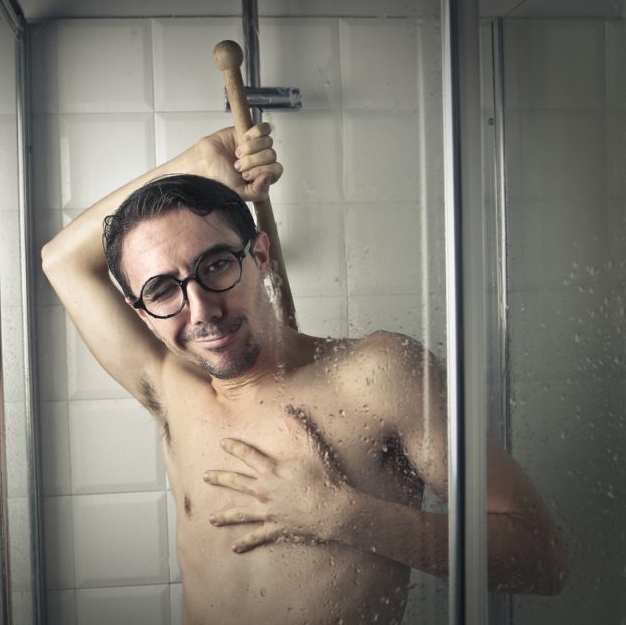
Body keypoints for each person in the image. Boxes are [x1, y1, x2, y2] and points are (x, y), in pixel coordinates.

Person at [41, 123, 567, 624]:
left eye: (218, 264)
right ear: (141, 311)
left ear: (261, 255)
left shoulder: (376, 375)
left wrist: (342, 515)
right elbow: (60, 259)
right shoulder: (168, 384)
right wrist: (197, 161)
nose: (201, 310)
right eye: (162, 290)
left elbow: (542, 560)